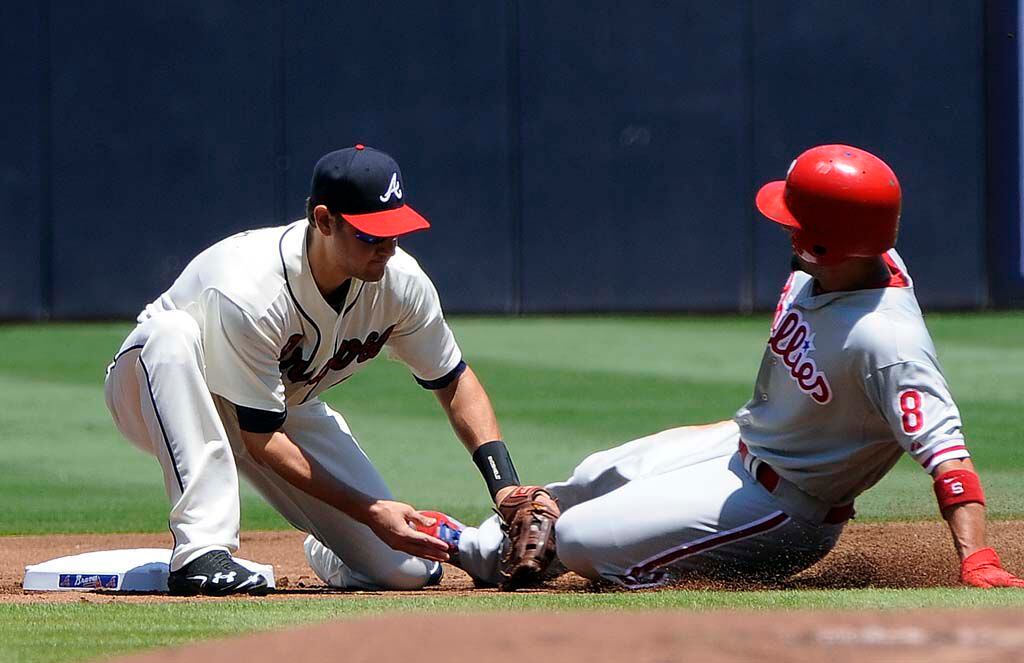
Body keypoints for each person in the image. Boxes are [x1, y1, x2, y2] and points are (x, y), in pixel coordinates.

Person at [429, 144, 1024, 590]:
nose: (784, 224)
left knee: (584, 540)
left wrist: (977, 557)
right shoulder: (851, 259)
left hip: (784, 511)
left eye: (797, 220)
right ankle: (472, 548)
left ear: (826, 245)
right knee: (589, 475)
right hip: (738, 448)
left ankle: (670, 589)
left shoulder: (887, 341)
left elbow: (948, 456)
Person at [104, 144, 546, 594]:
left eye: (396, 232)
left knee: (403, 569)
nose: (388, 248)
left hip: (276, 402)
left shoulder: (401, 283)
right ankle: (200, 553)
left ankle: (328, 549)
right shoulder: (251, 289)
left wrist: (504, 486)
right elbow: (260, 441)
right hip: (155, 389)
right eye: (371, 235)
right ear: (324, 221)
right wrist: (370, 510)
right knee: (172, 332)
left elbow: (454, 381)